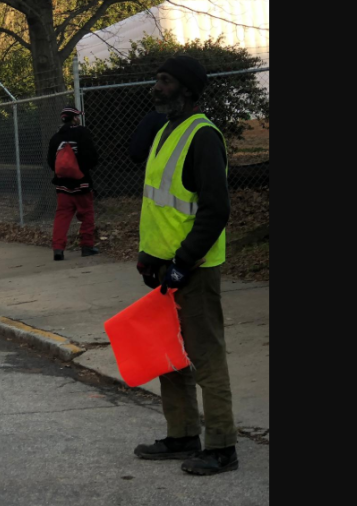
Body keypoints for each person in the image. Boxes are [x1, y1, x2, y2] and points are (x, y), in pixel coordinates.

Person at [131, 55, 236, 476]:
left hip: (193, 269)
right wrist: (149, 257)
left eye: (165, 81)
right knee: (167, 354)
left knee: (205, 355)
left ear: (188, 90)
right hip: (163, 267)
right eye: (157, 80)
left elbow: (215, 210)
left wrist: (183, 261)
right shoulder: (165, 129)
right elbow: (158, 203)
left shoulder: (203, 136)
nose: (156, 87)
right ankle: (182, 435)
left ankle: (222, 446)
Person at [46, 106, 99, 261]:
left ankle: (58, 249)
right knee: (87, 214)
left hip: (63, 185)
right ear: (75, 118)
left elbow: (51, 161)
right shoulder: (82, 132)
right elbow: (92, 156)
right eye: (77, 116)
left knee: (62, 216)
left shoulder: (56, 138)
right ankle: (87, 246)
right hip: (82, 183)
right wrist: (83, 169)